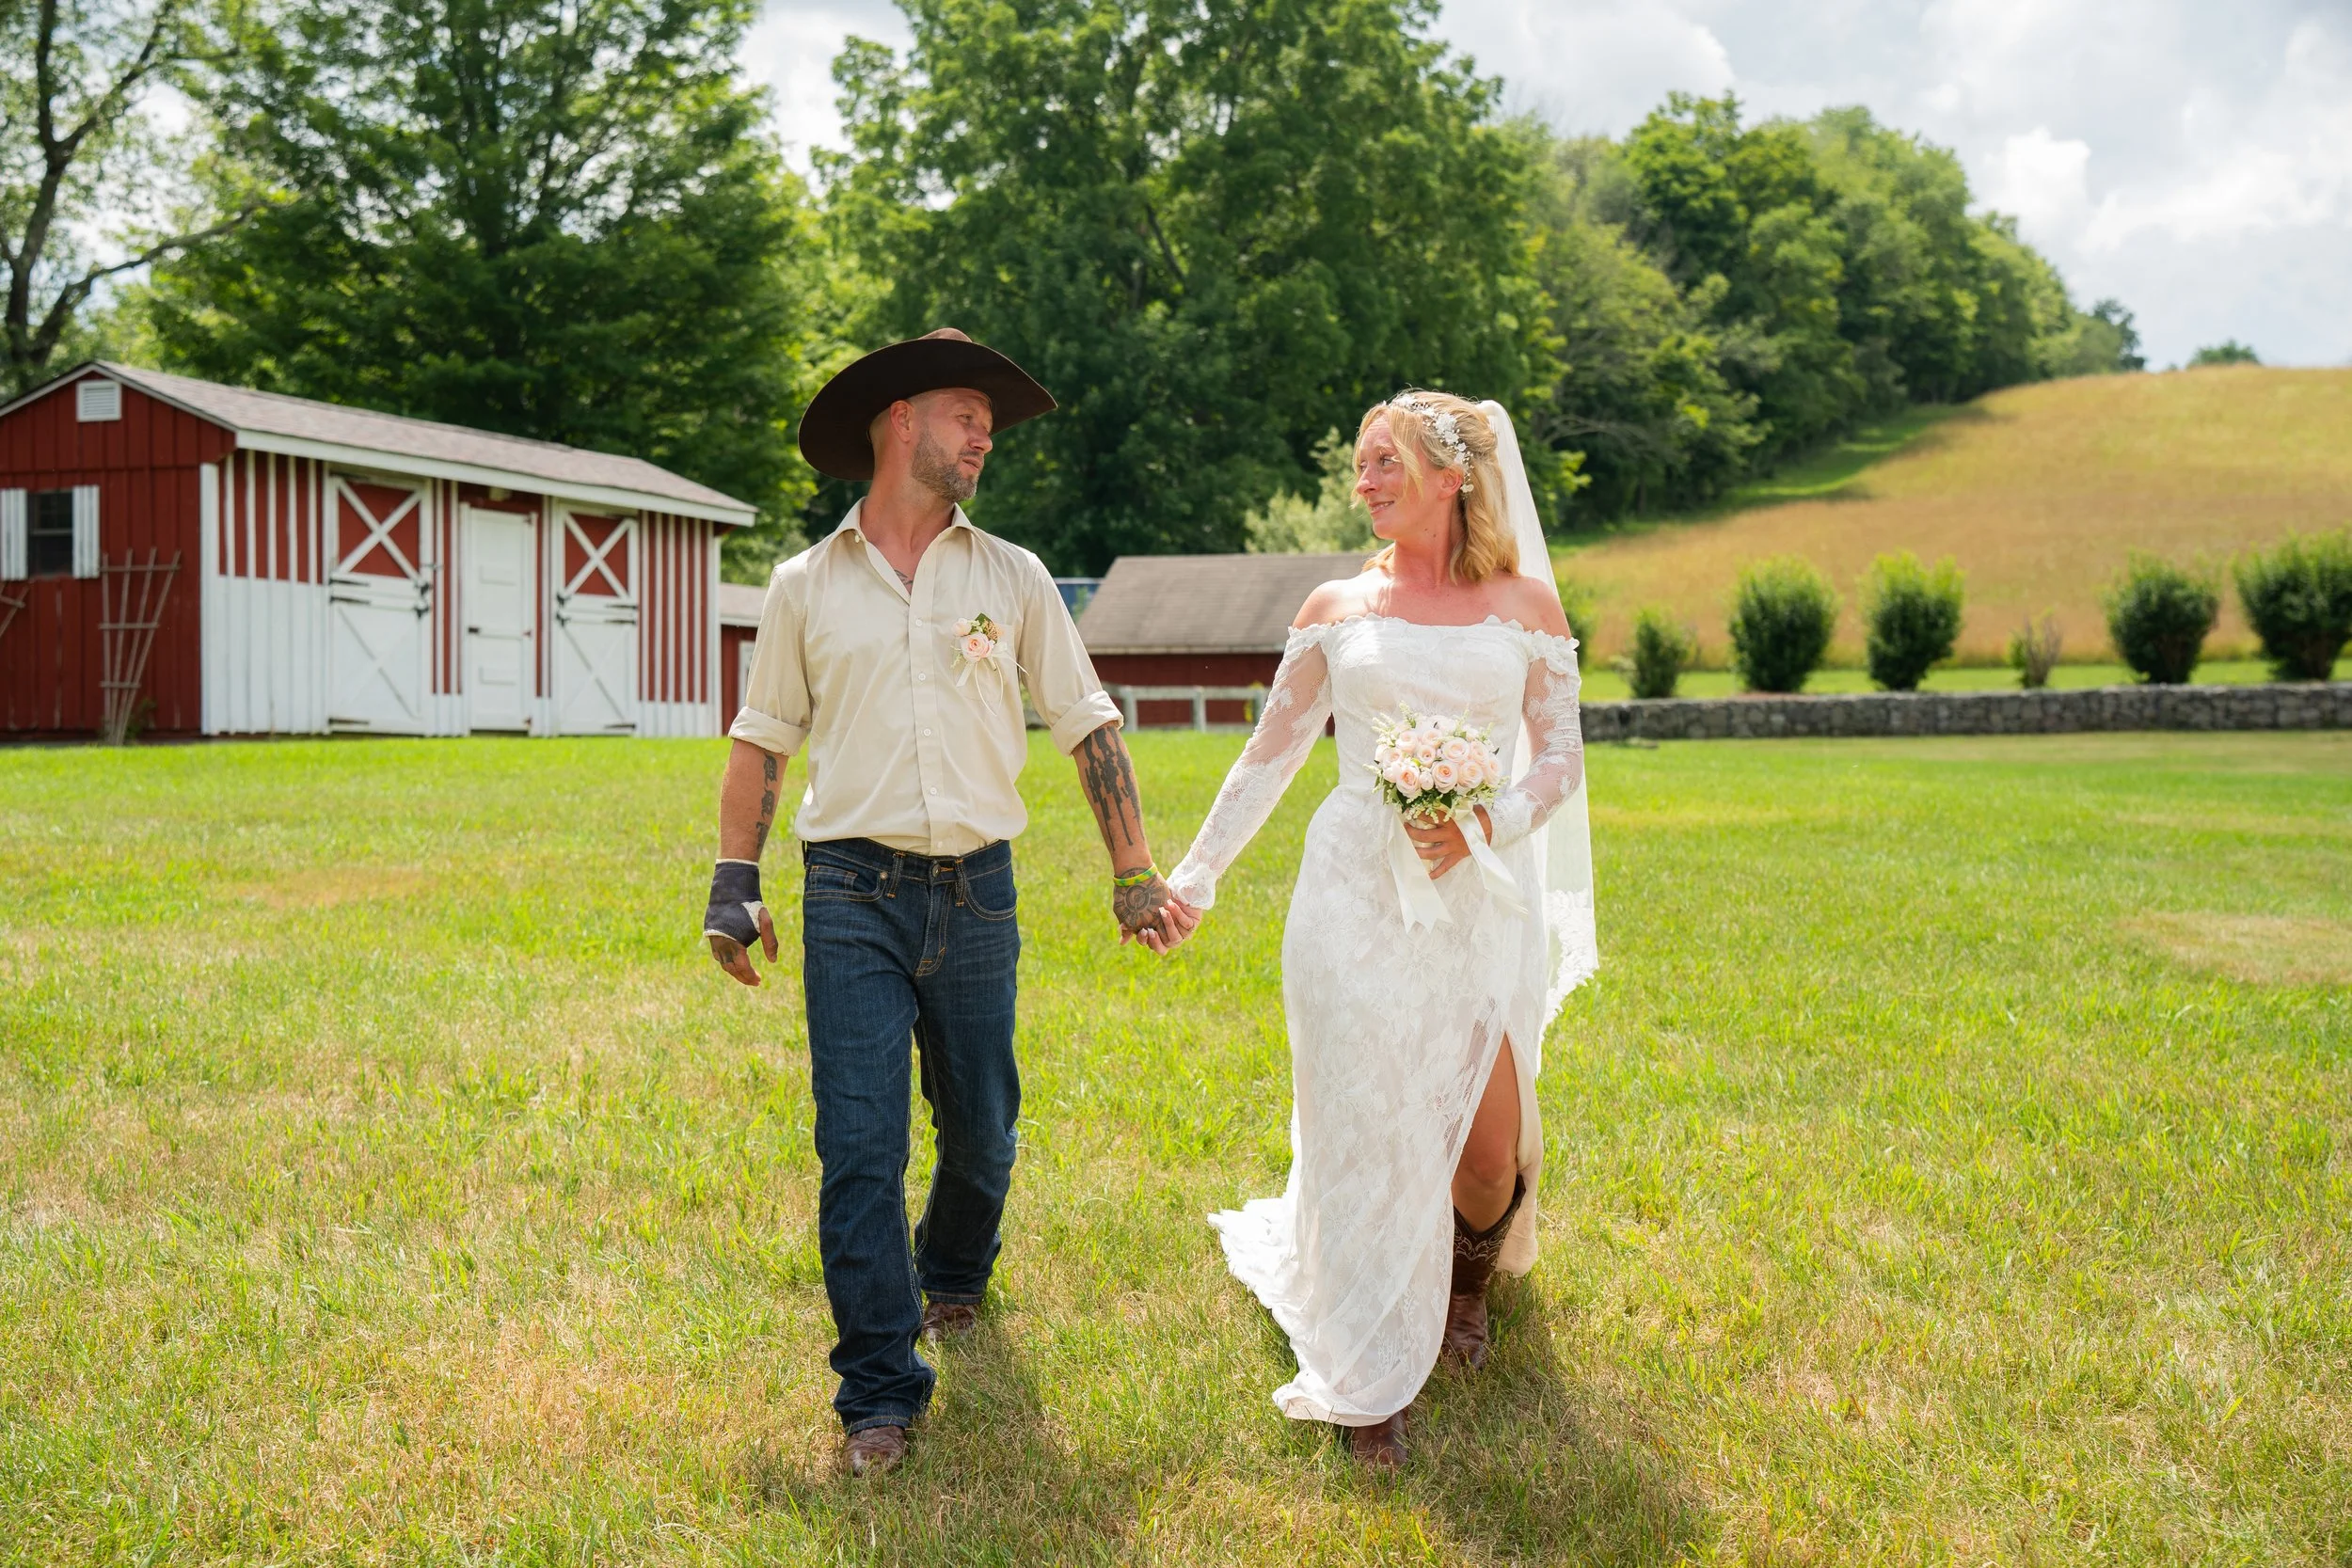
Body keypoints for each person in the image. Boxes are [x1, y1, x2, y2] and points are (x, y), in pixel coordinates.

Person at [702, 329, 1196, 1478]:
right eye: (966, 413)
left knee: (981, 1130)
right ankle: (878, 1385)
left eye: (986, 419)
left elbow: (1086, 719)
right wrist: (736, 884)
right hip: (850, 892)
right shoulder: (804, 585)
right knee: (858, 1144)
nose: (984, 435)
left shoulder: (1013, 577)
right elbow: (763, 737)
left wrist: (1133, 870)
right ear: (897, 420)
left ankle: (956, 1273)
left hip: (977, 891)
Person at [1163, 390, 1598, 1467]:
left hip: (1473, 895)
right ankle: (1365, 1380)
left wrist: (1486, 819)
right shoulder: (1333, 608)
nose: (1364, 481)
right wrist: (1195, 877)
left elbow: (1559, 758)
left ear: (1452, 475)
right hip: (1351, 886)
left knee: (1486, 1152)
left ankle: (1463, 1287)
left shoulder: (1526, 606)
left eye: (1384, 460)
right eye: (1358, 465)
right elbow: (1266, 755)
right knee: (1361, 1124)